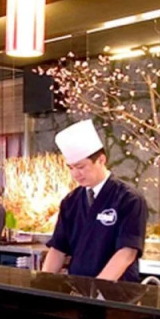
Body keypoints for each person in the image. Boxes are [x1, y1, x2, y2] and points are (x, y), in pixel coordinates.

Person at [41, 120, 149, 282]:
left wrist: (97, 288)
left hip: (118, 289)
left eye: (81, 167)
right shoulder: (70, 201)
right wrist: (43, 282)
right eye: (71, 168)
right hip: (78, 286)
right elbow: (58, 248)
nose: (75, 174)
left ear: (101, 160)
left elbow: (127, 252)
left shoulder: (129, 199)